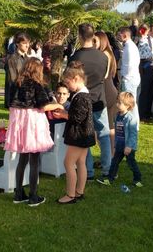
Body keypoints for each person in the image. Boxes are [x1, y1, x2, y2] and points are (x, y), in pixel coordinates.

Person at [6, 58, 63, 207]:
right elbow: (43, 106)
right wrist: (58, 105)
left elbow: (9, 103)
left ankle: (18, 193)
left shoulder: (15, 83)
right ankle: (33, 196)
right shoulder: (37, 85)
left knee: (22, 158)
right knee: (35, 160)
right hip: (32, 123)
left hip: (19, 123)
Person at [68, 24, 110, 183]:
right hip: (99, 98)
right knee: (104, 135)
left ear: (80, 36)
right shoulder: (103, 56)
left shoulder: (76, 57)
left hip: (81, 99)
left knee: (85, 135)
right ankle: (107, 169)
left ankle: (89, 170)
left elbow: (71, 78)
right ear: (93, 36)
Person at [57, 62, 95, 204]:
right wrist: (65, 112)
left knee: (68, 163)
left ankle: (70, 194)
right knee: (80, 162)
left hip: (79, 135)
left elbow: (77, 117)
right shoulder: (82, 95)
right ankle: (79, 191)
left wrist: (63, 115)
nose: (67, 86)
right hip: (85, 134)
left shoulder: (81, 97)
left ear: (76, 79)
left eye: (68, 82)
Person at [102, 92, 142, 188]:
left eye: (120, 103)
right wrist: (115, 145)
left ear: (128, 106)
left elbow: (133, 134)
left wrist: (129, 146)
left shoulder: (131, 119)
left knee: (131, 163)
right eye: (117, 102)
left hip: (128, 146)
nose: (117, 104)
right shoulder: (117, 116)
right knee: (114, 162)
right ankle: (110, 179)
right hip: (119, 145)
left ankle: (138, 179)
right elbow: (117, 132)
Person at [94, 31, 119, 150]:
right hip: (110, 89)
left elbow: (103, 75)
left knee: (106, 127)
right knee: (109, 125)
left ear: (102, 41)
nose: (93, 44)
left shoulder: (104, 54)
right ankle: (111, 153)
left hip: (106, 91)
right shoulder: (109, 53)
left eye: (95, 41)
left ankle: (110, 154)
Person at [138, 25, 153, 121]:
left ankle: (148, 113)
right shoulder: (144, 41)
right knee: (145, 92)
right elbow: (141, 54)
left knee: (152, 92)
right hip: (147, 68)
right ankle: (142, 114)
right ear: (150, 31)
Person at [118, 27, 140, 124]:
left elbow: (130, 64)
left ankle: (133, 123)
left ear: (124, 35)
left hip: (129, 78)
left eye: (119, 34)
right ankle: (133, 122)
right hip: (132, 77)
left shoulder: (129, 46)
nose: (118, 36)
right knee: (131, 101)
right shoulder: (129, 45)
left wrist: (125, 77)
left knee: (129, 102)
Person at [4, 33, 29, 108]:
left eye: (28, 43)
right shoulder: (12, 59)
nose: (27, 45)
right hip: (15, 96)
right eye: (24, 43)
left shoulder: (27, 58)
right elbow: (13, 79)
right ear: (17, 44)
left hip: (26, 95)